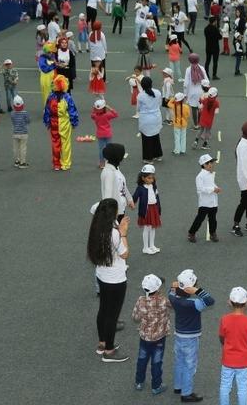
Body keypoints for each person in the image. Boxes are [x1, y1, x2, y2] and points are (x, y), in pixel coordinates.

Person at [87, 198, 130, 363]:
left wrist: (119, 229)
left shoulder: (97, 227)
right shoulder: (114, 233)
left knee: (103, 309)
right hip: (116, 279)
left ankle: (102, 343)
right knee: (112, 315)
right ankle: (109, 351)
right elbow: (125, 254)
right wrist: (123, 233)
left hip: (102, 275)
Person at [169, 269, 215, 403]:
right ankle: (186, 393)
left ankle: (178, 386)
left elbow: (171, 290)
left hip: (179, 336)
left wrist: (175, 285)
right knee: (189, 365)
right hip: (191, 338)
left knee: (179, 361)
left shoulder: (173, 298)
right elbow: (209, 300)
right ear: (190, 288)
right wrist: (197, 291)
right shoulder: (193, 304)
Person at [219, 287, 247, 405]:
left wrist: (226, 348)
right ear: (246, 303)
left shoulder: (224, 320)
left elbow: (222, 338)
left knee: (225, 385)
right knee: (243, 388)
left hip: (227, 359)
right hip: (244, 360)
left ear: (229, 302)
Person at [131, 274, 170, 394]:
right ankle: (156, 386)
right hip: (159, 337)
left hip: (144, 337)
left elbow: (135, 317)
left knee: (142, 359)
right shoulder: (164, 301)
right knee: (157, 362)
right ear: (158, 289)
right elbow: (173, 306)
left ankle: (139, 382)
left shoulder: (141, 300)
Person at [43, 75, 79, 171]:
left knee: (55, 143)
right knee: (65, 143)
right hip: (64, 123)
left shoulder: (50, 97)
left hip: (53, 122)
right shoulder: (67, 97)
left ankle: (56, 164)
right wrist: (74, 122)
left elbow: (46, 110)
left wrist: (47, 122)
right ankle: (65, 163)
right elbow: (72, 111)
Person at [188, 153, 221, 243]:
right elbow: (200, 189)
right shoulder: (200, 176)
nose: (212, 164)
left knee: (213, 219)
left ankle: (213, 233)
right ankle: (191, 233)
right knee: (200, 219)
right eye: (209, 163)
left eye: (212, 162)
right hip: (204, 203)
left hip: (213, 201)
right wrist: (213, 189)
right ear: (204, 165)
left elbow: (212, 184)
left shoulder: (211, 174)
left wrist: (216, 187)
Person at [100, 143, 134, 220]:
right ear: (117, 157)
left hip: (120, 207)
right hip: (114, 213)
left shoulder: (116, 168)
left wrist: (129, 199)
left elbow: (123, 185)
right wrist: (109, 215)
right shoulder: (109, 173)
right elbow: (107, 196)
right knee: (117, 232)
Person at [132, 164, 161, 254]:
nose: (151, 180)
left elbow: (157, 198)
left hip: (154, 209)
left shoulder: (154, 186)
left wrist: (159, 208)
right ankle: (145, 247)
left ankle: (152, 245)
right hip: (146, 210)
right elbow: (134, 197)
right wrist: (131, 203)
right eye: (149, 178)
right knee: (147, 228)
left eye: (152, 178)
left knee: (153, 228)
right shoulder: (140, 188)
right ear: (143, 178)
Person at [137, 77, 164, 164]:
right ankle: (158, 155)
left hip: (145, 119)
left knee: (146, 138)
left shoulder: (141, 95)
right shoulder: (158, 92)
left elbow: (138, 108)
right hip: (156, 117)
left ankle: (148, 158)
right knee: (156, 136)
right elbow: (159, 104)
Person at [91, 99, 117, 168]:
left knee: (101, 149)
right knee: (109, 148)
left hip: (100, 134)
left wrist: (95, 109)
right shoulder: (107, 115)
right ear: (104, 108)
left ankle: (102, 164)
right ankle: (110, 162)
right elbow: (116, 114)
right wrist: (110, 108)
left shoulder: (95, 116)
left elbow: (92, 115)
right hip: (108, 134)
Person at [184, 55, 208, 129]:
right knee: (200, 108)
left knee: (194, 108)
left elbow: (186, 84)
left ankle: (195, 125)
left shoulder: (188, 69)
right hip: (201, 91)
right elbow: (206, 80)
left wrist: (185, 94)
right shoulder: (202, 68)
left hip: (192, 92)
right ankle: (200, 123)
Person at [10, 95, 30, 169]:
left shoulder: (12, 113)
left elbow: (13, 121)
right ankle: (22, 162)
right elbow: (28, 121)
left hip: (15, 133)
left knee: (15, 148)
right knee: (23, 148)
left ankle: (17, 161)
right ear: (23, 104)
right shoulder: (25, 113)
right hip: (24, 133)